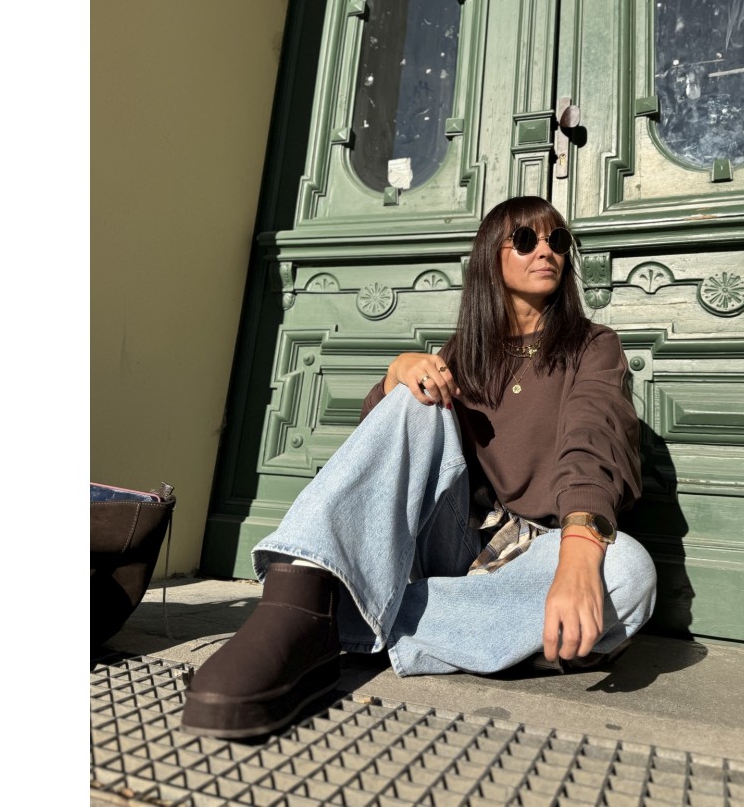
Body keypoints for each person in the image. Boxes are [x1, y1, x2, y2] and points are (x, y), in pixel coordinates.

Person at [181, 196, 657, 739]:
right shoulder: (462, 352)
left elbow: (595, 435)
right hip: (456, 540)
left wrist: (579, 550)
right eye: (526, 240)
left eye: (557, 240)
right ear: (491, 256)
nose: (545, 250)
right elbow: (383, 452)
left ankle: (341, 615)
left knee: (629, 572)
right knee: (415, 397)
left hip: (539, 552)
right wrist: (395, 376)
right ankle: (299, 596)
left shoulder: (593, 346)